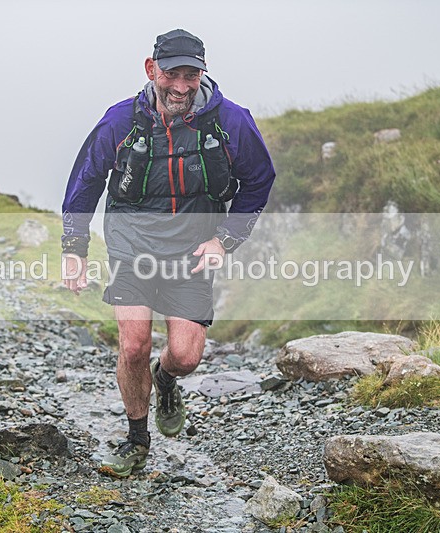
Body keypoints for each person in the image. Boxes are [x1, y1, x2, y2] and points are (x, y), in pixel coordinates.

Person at [61, 29, 275, 477]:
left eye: (191, 75)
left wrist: (225, 240)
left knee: (185, 356)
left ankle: (166, 379)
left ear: (202, 74)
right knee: (134, 344)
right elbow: (85, 182)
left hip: (191, 252)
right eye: (172, 74)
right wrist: (74, 249)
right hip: (132, 248)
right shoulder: (120, 122)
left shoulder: (230, 122)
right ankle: (137, 440)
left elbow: (259, 180)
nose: (180, 86)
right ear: (151, 69)